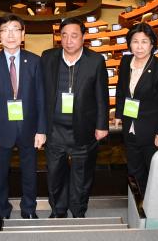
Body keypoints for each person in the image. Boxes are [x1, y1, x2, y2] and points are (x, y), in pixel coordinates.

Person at [41, 17, 110, 219]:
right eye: (64, 35)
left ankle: (78, 211)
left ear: (83, 37)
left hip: (84, 129)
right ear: (59, 38)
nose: (69, 40)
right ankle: (58, 211)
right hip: (55, 130)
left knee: (82, 176)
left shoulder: (96, 61)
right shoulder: (47, 57)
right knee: (55, 174)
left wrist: (101, 125)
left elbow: (101, 96)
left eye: (74, 36)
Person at [0, 15, 46, 223]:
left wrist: (41, 130)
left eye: (15, 29)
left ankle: (29, 208)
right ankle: (2, 210)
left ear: (23, 34)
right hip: (0, 131)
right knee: (0, 174)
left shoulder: (35, 61)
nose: (10, 34)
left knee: (30, 173)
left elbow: (41, 99)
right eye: (5, 30)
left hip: (29, 128)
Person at [115, 22, 158, 193]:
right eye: (135, 41)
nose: (139, 46)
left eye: (144, 41)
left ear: (152, 45)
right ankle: (140, 203)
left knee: (155, 172)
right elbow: (121, 90)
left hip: (152, 132)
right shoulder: (126, 62)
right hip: (130, 127)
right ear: (129, 43)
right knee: (134, 170)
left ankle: (157, 207)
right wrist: (119, 114)